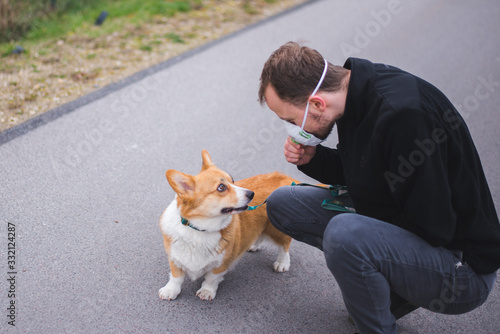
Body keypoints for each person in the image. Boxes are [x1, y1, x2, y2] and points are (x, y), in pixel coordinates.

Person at [258, 41, 500, 334]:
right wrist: (314, 159)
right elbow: (368, 173)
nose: (292, 128)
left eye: (290, 119)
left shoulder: (403, 117)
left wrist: (360, 232)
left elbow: (436, 226)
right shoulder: (353, 94)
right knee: (283, 202)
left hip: (460, 268)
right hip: (416, 226)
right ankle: (383, 288)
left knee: (345, 236)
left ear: (317, 104)